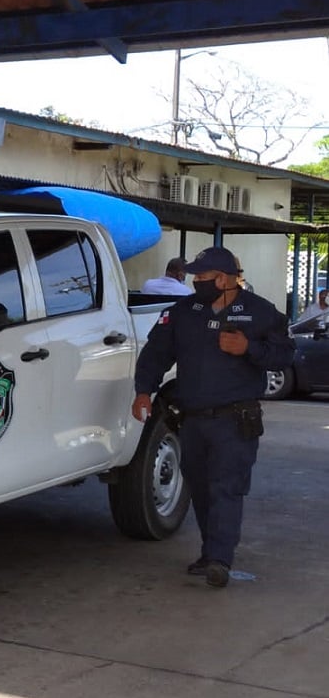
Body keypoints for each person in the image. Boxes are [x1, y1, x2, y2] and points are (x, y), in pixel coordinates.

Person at [131, 246, 295, 588]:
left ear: (223, 279)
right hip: (192, 420)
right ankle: (211, 552)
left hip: (236, 421)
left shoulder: (260, 312)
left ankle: (220, 559)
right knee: (202, 489)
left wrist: (248, 348)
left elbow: (283, 355)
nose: (196, 283)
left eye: (202, 278)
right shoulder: (182, 312)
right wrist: (143, 391)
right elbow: (156, 353)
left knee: (226, 488)